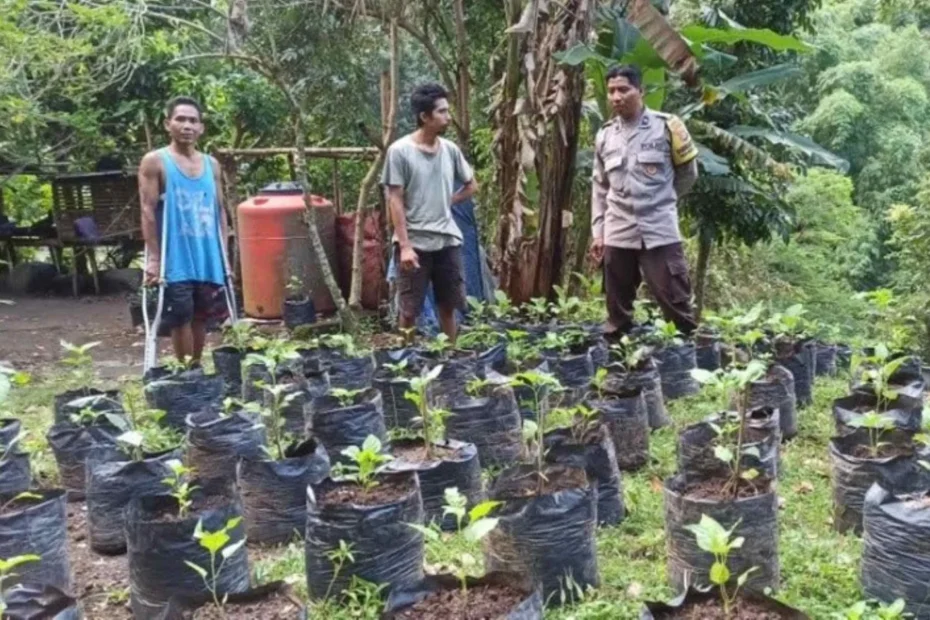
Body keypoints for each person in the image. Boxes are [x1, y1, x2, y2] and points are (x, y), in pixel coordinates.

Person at [590, 65, 700, 339]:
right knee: (617, 309)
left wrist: (663, 201)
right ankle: (619, 359)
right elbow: (600, 187)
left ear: (640, 90)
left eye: (623, 89)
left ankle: (685, 356)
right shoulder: (605, 136)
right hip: (618, 230)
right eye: (611, 91)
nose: (616, 97)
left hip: (659, 228)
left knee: (675, 301)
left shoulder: (668, 127)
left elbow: (688, 174)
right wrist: (598, 232)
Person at [381, 83, 478, 343]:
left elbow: (472, 185)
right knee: (409, 310)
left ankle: (451, 355)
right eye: (442, 112)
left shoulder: (450, 150)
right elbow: (394, 199)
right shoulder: (400, 152)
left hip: (447, 240)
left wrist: (447, 201)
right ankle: (406, 357)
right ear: (424, 116)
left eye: (448, 111)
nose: (448, 117)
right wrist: (405, 246)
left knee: (448, 305)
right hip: (415, 243)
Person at [138, 96, 231, 365]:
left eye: (193, 120)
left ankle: (195, 367)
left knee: (201, 316)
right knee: (181, 315)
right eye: (180, 119)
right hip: (175, 255)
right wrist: (154, 259)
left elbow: (219, 210)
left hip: (206, 254)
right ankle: (185, 370)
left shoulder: (212, 165)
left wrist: (224, 255)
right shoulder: (155, 161)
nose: (187, 126)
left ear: (201, 127)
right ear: (168, 124)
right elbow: (147, 209)